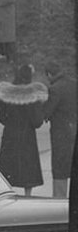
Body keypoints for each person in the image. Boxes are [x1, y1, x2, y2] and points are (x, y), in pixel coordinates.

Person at [0, 63, 48, 197]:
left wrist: (10, 123)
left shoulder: (6, 94)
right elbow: (37, 121)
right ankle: (27, 194)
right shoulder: (32, 96)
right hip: (27, 136)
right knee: (28, 165)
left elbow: (0, 116)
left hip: (10, 134)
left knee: (8, 164)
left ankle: (6, 192)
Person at [42, 63, 76, 199]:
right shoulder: (74, 83)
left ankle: (59, 199)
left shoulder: (55, 89)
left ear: (49, 74)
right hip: (73, 128)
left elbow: (47, 111)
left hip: (61, 133)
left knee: (60, 167)